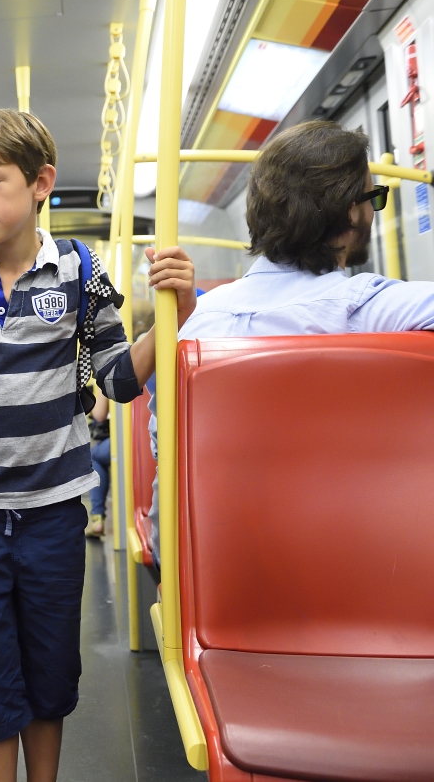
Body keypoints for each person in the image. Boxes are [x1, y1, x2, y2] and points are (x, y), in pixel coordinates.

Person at [0, 108, 197, 782]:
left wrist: (176, 312)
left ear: (40, 183)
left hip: (55, 508)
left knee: (49, 659)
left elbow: (116, 379)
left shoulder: (80, 270)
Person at [146, 119, 434, 563]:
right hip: (354, 559)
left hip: (211, 567)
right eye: (372, 198)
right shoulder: (370, 308)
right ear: (350, 212)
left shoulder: (198, 323)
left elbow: (164, 455)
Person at [86, 391, 111, 537]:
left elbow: (99, 414)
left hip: (128, 439)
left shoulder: (110, 368)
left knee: (94, 456)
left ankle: (97, 517)